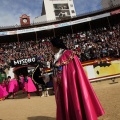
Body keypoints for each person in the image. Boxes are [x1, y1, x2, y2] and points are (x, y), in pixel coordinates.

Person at [50, 37, 105, 120]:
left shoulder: (68, 54)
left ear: (55, 46)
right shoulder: (56, 57)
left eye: (51, 46)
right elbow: (58, 72)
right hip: (62, 86)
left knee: (76, 101)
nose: (50, 48)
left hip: (71, 85)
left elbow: (72, 72)